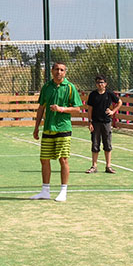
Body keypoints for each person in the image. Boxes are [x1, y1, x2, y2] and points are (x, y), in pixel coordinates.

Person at [31, 61, 83, 202]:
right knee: (44, 159)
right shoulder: (47, 87)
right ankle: (45, 190)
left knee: (63, 159)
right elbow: (41, 108)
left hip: (63, 128)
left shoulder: (70, 87)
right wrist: (36, 127)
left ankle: (63, 191)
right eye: (56, 69)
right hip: (48, 128)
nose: (58, 72)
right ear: (52, 71)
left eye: (61, 70)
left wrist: (62, 109)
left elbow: (78, 109)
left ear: (65, 72)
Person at [85, 75, 121, 174]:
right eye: (98, 82)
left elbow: (119, 102)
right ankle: (94, 166)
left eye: (101, 82)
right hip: (96, 122)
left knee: (107, 144)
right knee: (95, 144)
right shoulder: (93, 94)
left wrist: (113, 111)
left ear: (105, 84)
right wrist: (90, 122)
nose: (100, 84)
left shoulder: (109, 94)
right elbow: (90, 108)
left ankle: (108, 166)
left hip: (106, 122)